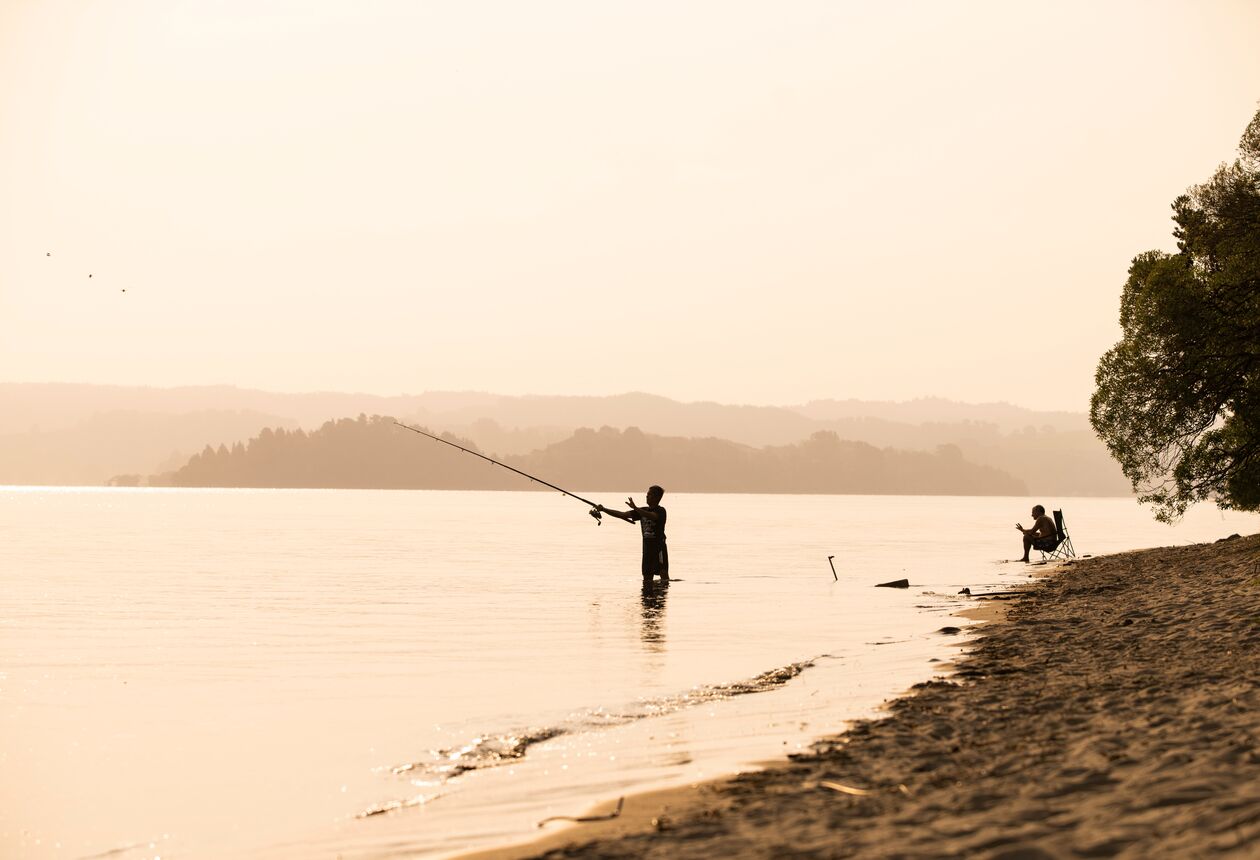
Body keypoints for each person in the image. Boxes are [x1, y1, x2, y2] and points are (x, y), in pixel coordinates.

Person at [597, 485, 668, 582]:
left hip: (659, 549)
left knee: (664, 577)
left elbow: (652, 516)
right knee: (647, 579)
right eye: (647, 494)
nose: (647, 496)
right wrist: (604, 509)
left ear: (656, 497)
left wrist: (635, 508)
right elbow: (622, 514)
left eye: (649, 494)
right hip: (647, 550)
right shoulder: (643, 510)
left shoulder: (661, 511)